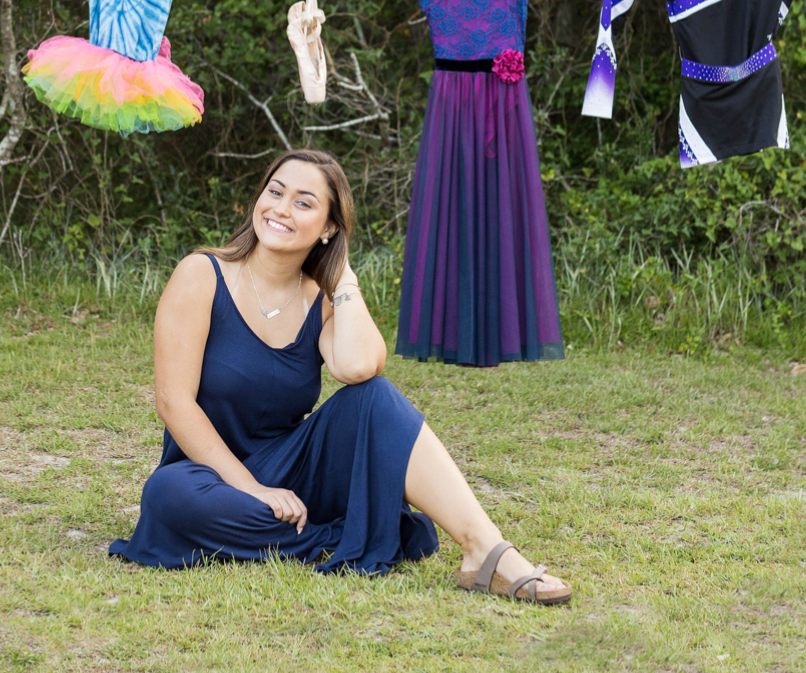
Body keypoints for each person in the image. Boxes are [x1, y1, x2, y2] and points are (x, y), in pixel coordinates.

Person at [108, 149, 570, 603]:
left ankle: (484, 552)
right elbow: (173, 402)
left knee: (375, 396)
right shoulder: (201, 274)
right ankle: (350, 533)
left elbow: (358, 368)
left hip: (291, 470)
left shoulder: (320, 300)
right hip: (205, 473)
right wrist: (251, 488)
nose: (281, 209)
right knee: (168, 496)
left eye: (304, 203)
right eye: (275, 192)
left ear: (329, 227)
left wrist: (342, 279)